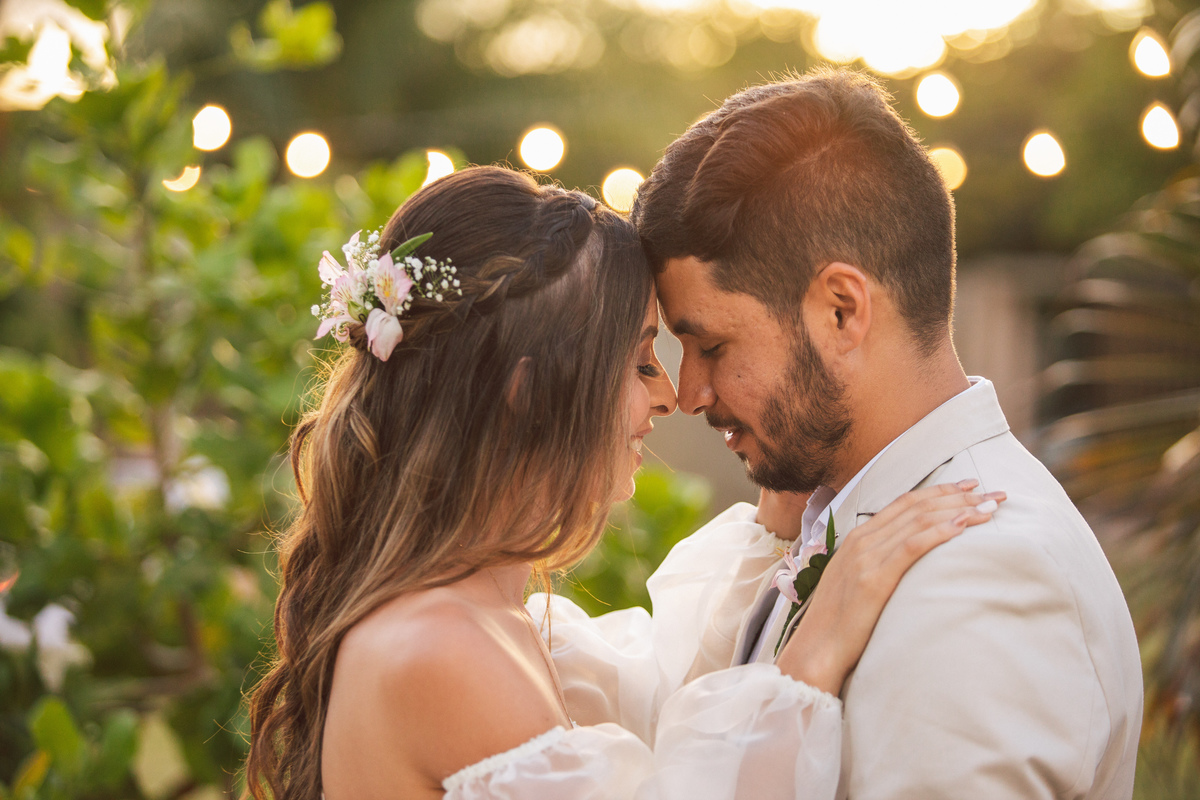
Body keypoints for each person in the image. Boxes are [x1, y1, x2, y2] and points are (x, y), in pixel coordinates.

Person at [241, 165, 1003, 800]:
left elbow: (657, 708)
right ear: (529, 391)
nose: (670, 397)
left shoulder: (491, 622)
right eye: (641, 362)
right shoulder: (440, 651)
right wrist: (812, 656)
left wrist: (784, 504)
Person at [615, 67, 1143, 798]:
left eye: (711, 346)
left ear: (841, 311)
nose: (693, 392)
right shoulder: (829, 517)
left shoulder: (983, 577)